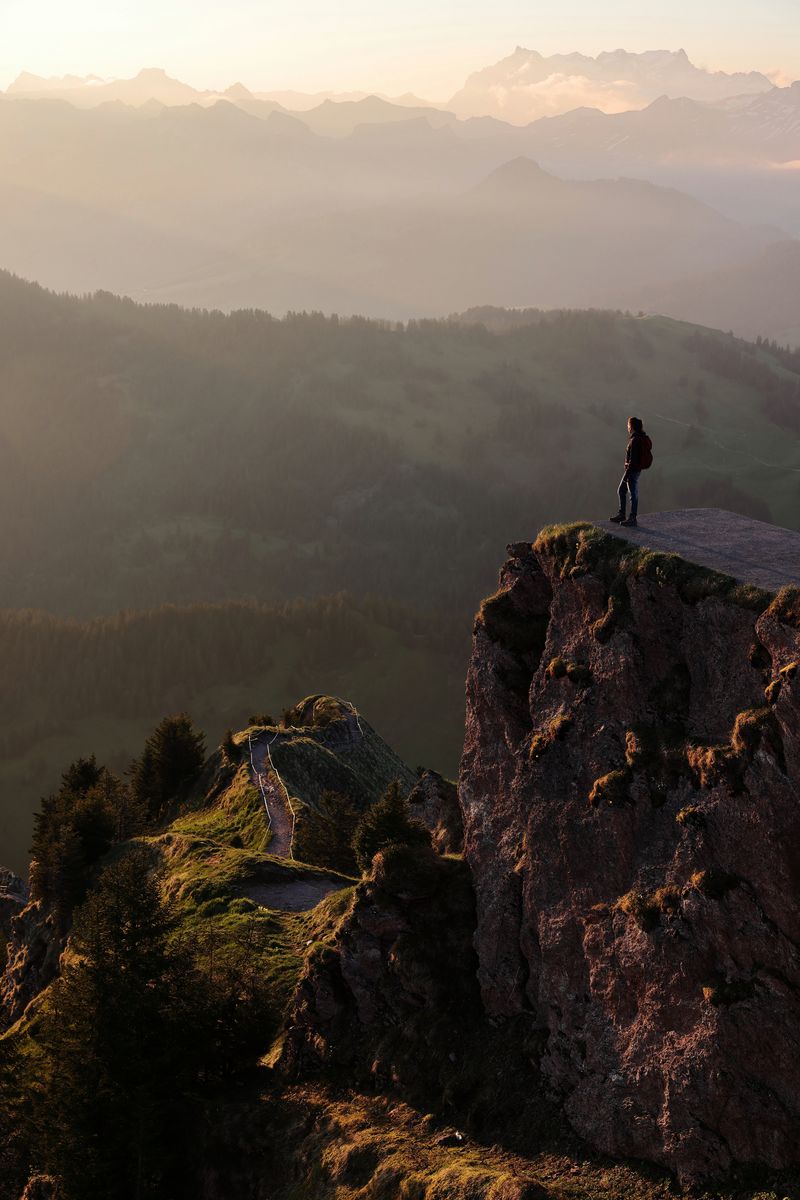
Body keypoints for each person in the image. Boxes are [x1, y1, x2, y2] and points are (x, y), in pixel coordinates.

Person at [610, 416, 647, 528]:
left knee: (632, 494)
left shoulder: (635, 440)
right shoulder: (636, 438)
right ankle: (623, 515)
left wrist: (626, 475)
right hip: (633, 470)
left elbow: (632, 460)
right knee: (622, 490)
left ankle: (632, 518)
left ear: (632, 426)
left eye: (628, 425)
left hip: (632, 471)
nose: (627, 427)